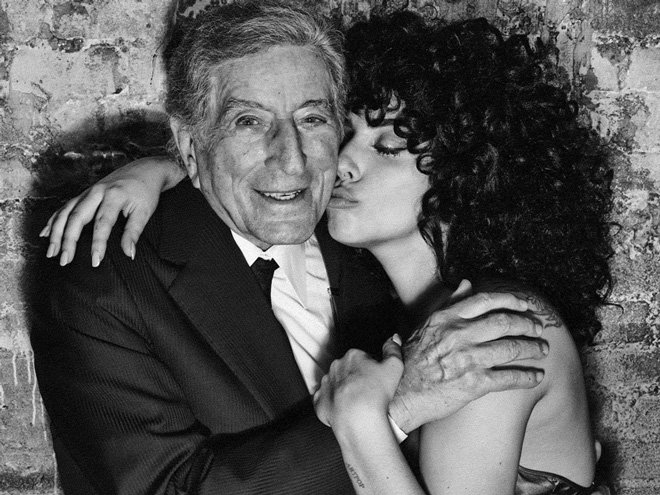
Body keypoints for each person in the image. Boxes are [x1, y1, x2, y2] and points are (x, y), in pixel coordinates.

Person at [32, 3, 549, 495]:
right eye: (249, 122)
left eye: (312, 119)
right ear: (190, 144)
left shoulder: (360, 240)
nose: (291, 159)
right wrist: (390, 413)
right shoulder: (105, 282)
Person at [313, 13, 612, 494]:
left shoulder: (494, 329)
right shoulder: (406, 319)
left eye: (387, 146)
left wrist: (358, 420)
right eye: (345, 137)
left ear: (464, 176)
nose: (342, 163)